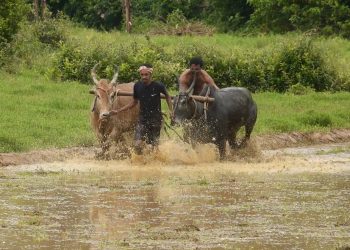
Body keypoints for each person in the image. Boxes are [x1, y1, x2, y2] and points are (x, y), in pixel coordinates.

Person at [109, 63, 173, 154]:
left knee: (153, 148)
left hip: (155, 120)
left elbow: (167, 96)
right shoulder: (137, 86)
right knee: (137, 145)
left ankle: (152, 162)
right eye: (142, 75)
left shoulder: (158, 85)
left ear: (150, 74)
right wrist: (118, 110)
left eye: (146, 75)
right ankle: (140, 162)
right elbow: (134, 102)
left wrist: (171, 110)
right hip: (142, 120)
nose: (144, 77)